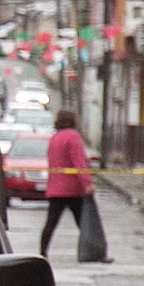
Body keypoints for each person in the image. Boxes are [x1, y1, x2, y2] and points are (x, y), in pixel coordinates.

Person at [38, 107, 95, 260]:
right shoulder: (73, 137)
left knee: (50, 223)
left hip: (55, 189)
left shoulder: (54, 138)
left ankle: (42, 252)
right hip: (73, 189)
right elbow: (79, 162)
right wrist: (87, 183)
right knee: (84, 223)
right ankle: (93, 251)